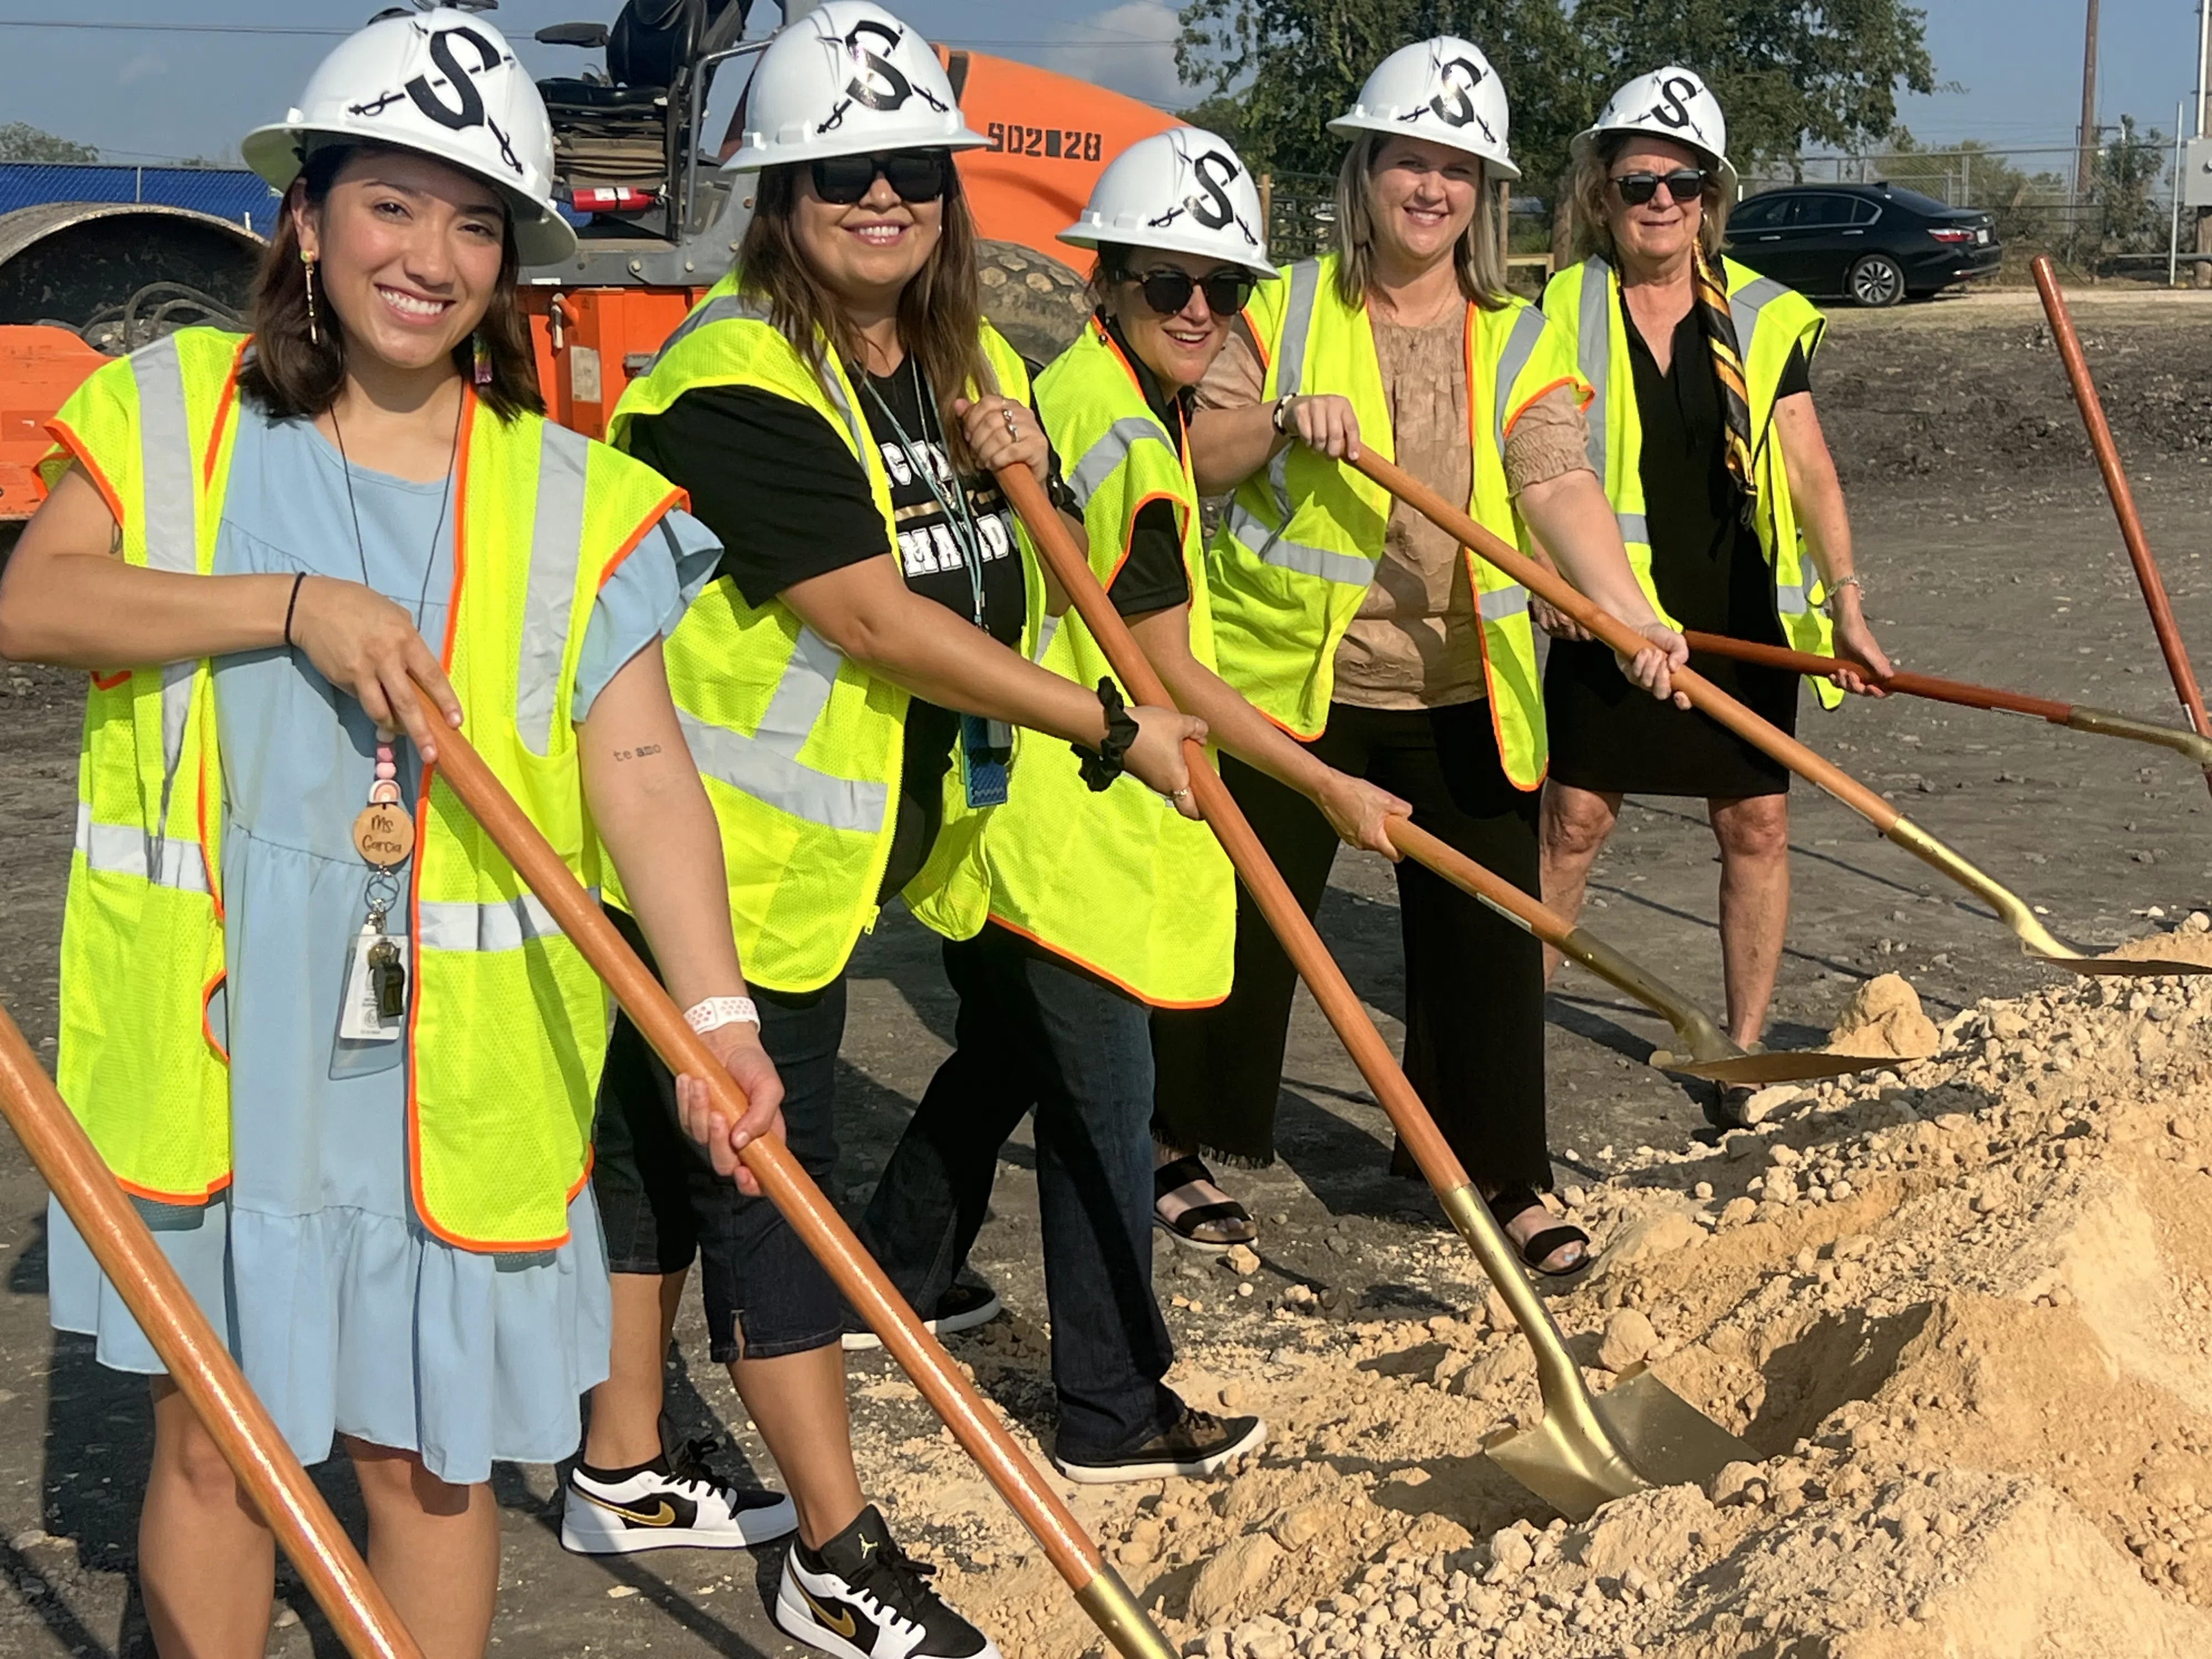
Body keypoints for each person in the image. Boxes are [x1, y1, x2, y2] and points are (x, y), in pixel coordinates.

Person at [0, 12, 786, 1657]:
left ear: (512, 259)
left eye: (475, 218)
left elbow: (644, 774)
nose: (430, 256)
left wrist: (717, 1019)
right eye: (392, 204)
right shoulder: (172, 414)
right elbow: (39, 603)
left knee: (425, 1465)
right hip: (222, 1043)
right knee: (212, 1446)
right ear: (308, 215)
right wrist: (289, 607)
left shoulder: (572, 498)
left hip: (446, 1070)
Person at [571, 8, 1202, 1655]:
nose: (882, 196)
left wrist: (1019, 468)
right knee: (772, 1188)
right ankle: (832, 1555)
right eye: (840, 170)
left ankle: (624, 1461)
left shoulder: (930, 365)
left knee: (653, 1157)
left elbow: (991, 566)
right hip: (717, 858)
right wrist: (1116, 725)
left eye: (910, 169)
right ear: (774, 193)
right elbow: (871, 618)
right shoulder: (730, 378)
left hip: (840, 860)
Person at [855, 128, 1404, 1480]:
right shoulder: (1131, 450)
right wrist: (1323, 777)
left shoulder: (1086, 395)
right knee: (1104, 1111)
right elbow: (1167, 670)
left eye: (1222, 284)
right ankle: (1111, 1409)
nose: (1201, 310)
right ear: (1106, 280)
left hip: (1027, 809)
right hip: (1075, 822)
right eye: (1169, 283)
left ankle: (894, 1272)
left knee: (999, 1059)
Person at [1150, 36, 1692, 1278]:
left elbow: (1557, 485)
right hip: (1294, 685)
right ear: (1366, 170)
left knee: (1487, 943)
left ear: (1484, 195)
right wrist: (1278, 419)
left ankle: (1502, 1176)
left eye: (1458, 170)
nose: (1431, 189)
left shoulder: (1514, 332)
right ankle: (1176, 1141)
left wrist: (1626, 612)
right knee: (1247, 926)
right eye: (1410, 161)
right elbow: (1193, 448)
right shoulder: (1279, 307)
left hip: (1461, 690)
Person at [1535, 68, 1891, 1129]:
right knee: (1574, 820)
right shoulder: (1559, 306)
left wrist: (1849, 598)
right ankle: (1510, 1043)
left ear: (1711, 196)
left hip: (1740, 621)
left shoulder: (1770, 317)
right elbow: (1524, 455)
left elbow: (1811, 465)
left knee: (1756, 827)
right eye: (1639, 178)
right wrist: (1544, 579)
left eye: (1683, 182)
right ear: (1604, 187)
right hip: (1612, 608)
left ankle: (1738, 1062)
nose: (1661, 200)